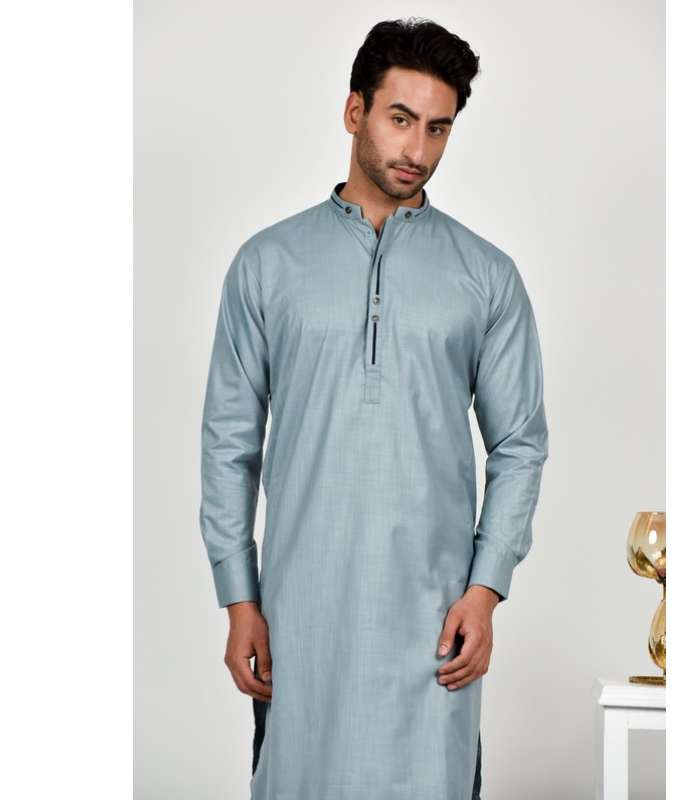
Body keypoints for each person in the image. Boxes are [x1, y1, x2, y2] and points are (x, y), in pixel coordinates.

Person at [199, 17, 549, 800]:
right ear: (354, 110)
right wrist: (239, 597)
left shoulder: (487, 276)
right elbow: (229, 443)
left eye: (438, 128)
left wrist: (486, 589)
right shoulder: (267, 264)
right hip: (299, 619)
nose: (416, 148)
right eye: (400, 118)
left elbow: (520, 444)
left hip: (435, 625)